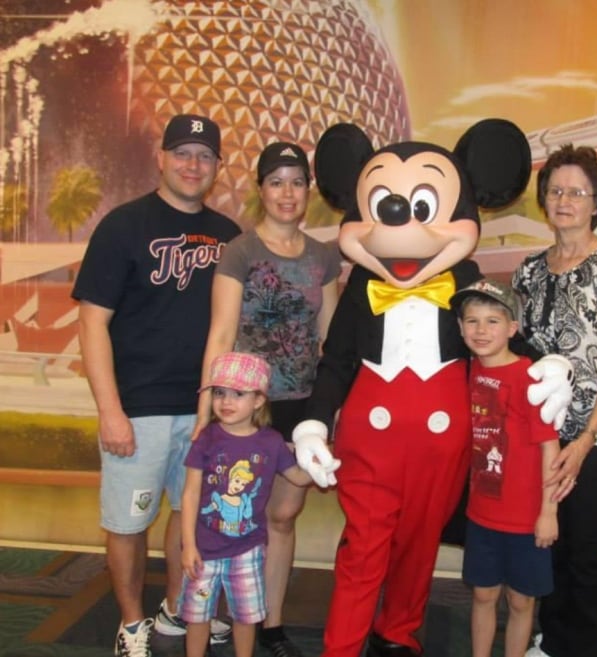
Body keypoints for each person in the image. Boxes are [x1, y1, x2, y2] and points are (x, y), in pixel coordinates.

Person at [72, 114, 242, 657]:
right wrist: (110, 411)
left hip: (204, 409)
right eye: (183, 153)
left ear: (217, 167)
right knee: (128, 520)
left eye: (205, 156)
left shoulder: (228, 236)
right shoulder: (123, 225)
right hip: (139, 407)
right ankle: (130, 623)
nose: (193, 165)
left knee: (186, 512)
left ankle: (175, 607)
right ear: (162, 158)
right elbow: (92, 321)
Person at [196, 141, 341, 657]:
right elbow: (220, 334)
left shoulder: (323, 256)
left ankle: (270, 625)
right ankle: (218, 617)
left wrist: (330, 415)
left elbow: (332, 344)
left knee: (281, 516)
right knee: (232, 516)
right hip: (247, 407)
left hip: (299, 406)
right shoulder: (240, 251)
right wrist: (204, 413)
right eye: (277, 181)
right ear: (261, 189)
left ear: (308, 191)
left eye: (297, 182)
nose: (287, 193)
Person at [512, 144, 597, 657]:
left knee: (588, 551)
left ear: (596, 203)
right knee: (549, 544)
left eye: (576, 192)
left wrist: (587, 438)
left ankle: (583, 645)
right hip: (542, 431)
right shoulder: (529, 271)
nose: (564, 199)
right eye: (555, 191)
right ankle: (553, 638)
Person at [449, 279, 560, 657]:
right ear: (461, 328)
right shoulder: (466, 372)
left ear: (513, 328)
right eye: (472, 321)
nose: (481, 331)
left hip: (526, 517)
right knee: (482, 595)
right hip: (482, 514)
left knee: (521, 602)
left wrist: (548, 511)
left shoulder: (530, 378)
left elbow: (550, 448)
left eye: (493, 321)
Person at [181, 352, 317, 657]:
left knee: (246, 616)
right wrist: (188, 545)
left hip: (249, 550)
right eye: (219, 393)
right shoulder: (206, 438)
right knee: (197, 616)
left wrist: (319, 467)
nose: (226, 402)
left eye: (238, 394)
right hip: (205, 550)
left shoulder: (271, 442)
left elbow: (297, 476)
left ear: (258, 400)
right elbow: (189, 494)